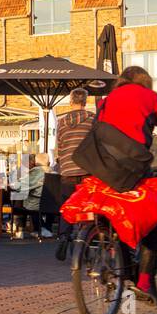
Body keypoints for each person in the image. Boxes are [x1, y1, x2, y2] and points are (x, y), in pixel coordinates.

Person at [62, 65, 157, 301]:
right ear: (146, 81)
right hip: (130, 165)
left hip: (96, 163)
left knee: (113, 208)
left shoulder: (108, 99)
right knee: (151, 219)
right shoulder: (152, 99)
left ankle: (110, 251)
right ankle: (144, 282)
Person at [54, 89, 95, 257]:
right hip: (87, 170)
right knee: (87, 206)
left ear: (71, 102)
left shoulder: (62, 122)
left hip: (67, 171)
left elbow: (60, 147)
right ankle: (84, 239)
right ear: (85, 102)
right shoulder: (92, 119)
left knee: (68, 206)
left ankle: (64, 236)